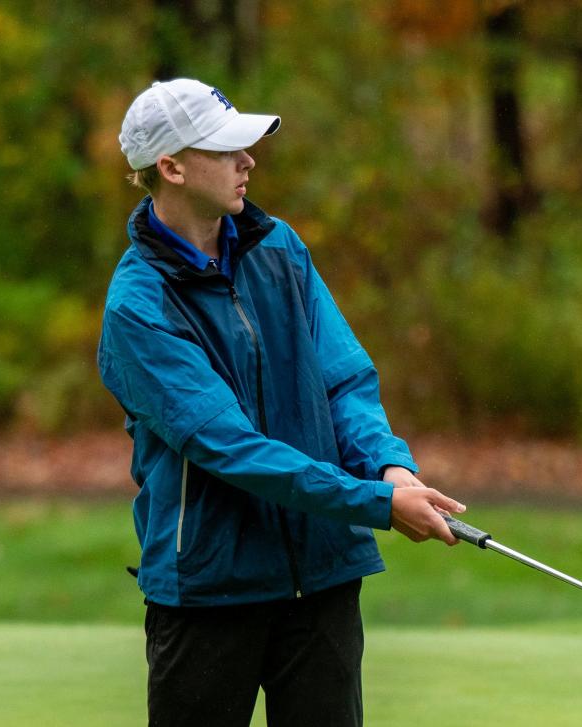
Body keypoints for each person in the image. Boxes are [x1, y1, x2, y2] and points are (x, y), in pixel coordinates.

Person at [98, 78, 466, 727]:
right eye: (227, 149)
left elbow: (343, 378)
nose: (250, 161)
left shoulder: (279, 248)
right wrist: (378, 504)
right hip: (210, 591)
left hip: (320, 579)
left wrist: (389, 465)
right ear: (172, 166)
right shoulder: (138, 307)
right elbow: (233, 449)